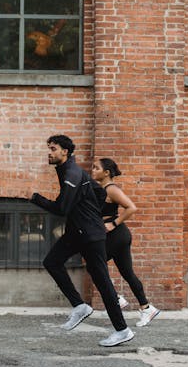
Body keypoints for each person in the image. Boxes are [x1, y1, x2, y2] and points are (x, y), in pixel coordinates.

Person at [30, 135, 134, 347]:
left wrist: (35, 198)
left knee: (102, 281)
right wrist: (90, 210)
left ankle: (123, 330)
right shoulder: (68, 171)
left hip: (89, 235)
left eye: (53, 148)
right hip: (77, 232)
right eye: (49, 148)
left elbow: (61, 209)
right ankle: (80, 306)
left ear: (65, 152)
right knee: (52, 262)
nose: (49, 152)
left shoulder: (72, 172)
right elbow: (96, 192)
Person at [91, 158, 161, 327]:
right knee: (127, 273)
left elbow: (131, 207)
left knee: (94, 265)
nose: (92, 170)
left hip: (116, 235)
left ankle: (116, 299)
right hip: (116, 236)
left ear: (106, 173)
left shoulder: (111, 189)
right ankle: (147, 308)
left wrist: (113, 223)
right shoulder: (99, 188)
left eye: (96, 168)